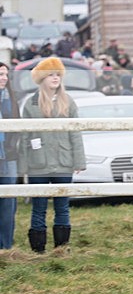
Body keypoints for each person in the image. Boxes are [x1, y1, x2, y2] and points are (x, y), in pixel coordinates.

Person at [18, 57, 85, 253]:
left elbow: (76, 132)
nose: (55, 78)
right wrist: (23, 168)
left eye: (58, 74)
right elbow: (24, 136)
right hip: (38, 164)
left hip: (64, 162)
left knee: (62, 207)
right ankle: (38, 249)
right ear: (41, 79)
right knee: (38, 206)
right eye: (50, 75)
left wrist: (79, 161)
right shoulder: (31, 103)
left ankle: (61, 248)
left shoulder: (68, 101)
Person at [0, 62, 20, 249]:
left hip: (8, 156)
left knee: (8, 202)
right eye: (0, 74)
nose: (4, 78)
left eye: (6, 74)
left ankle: (5, 246)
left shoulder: (11, 98)